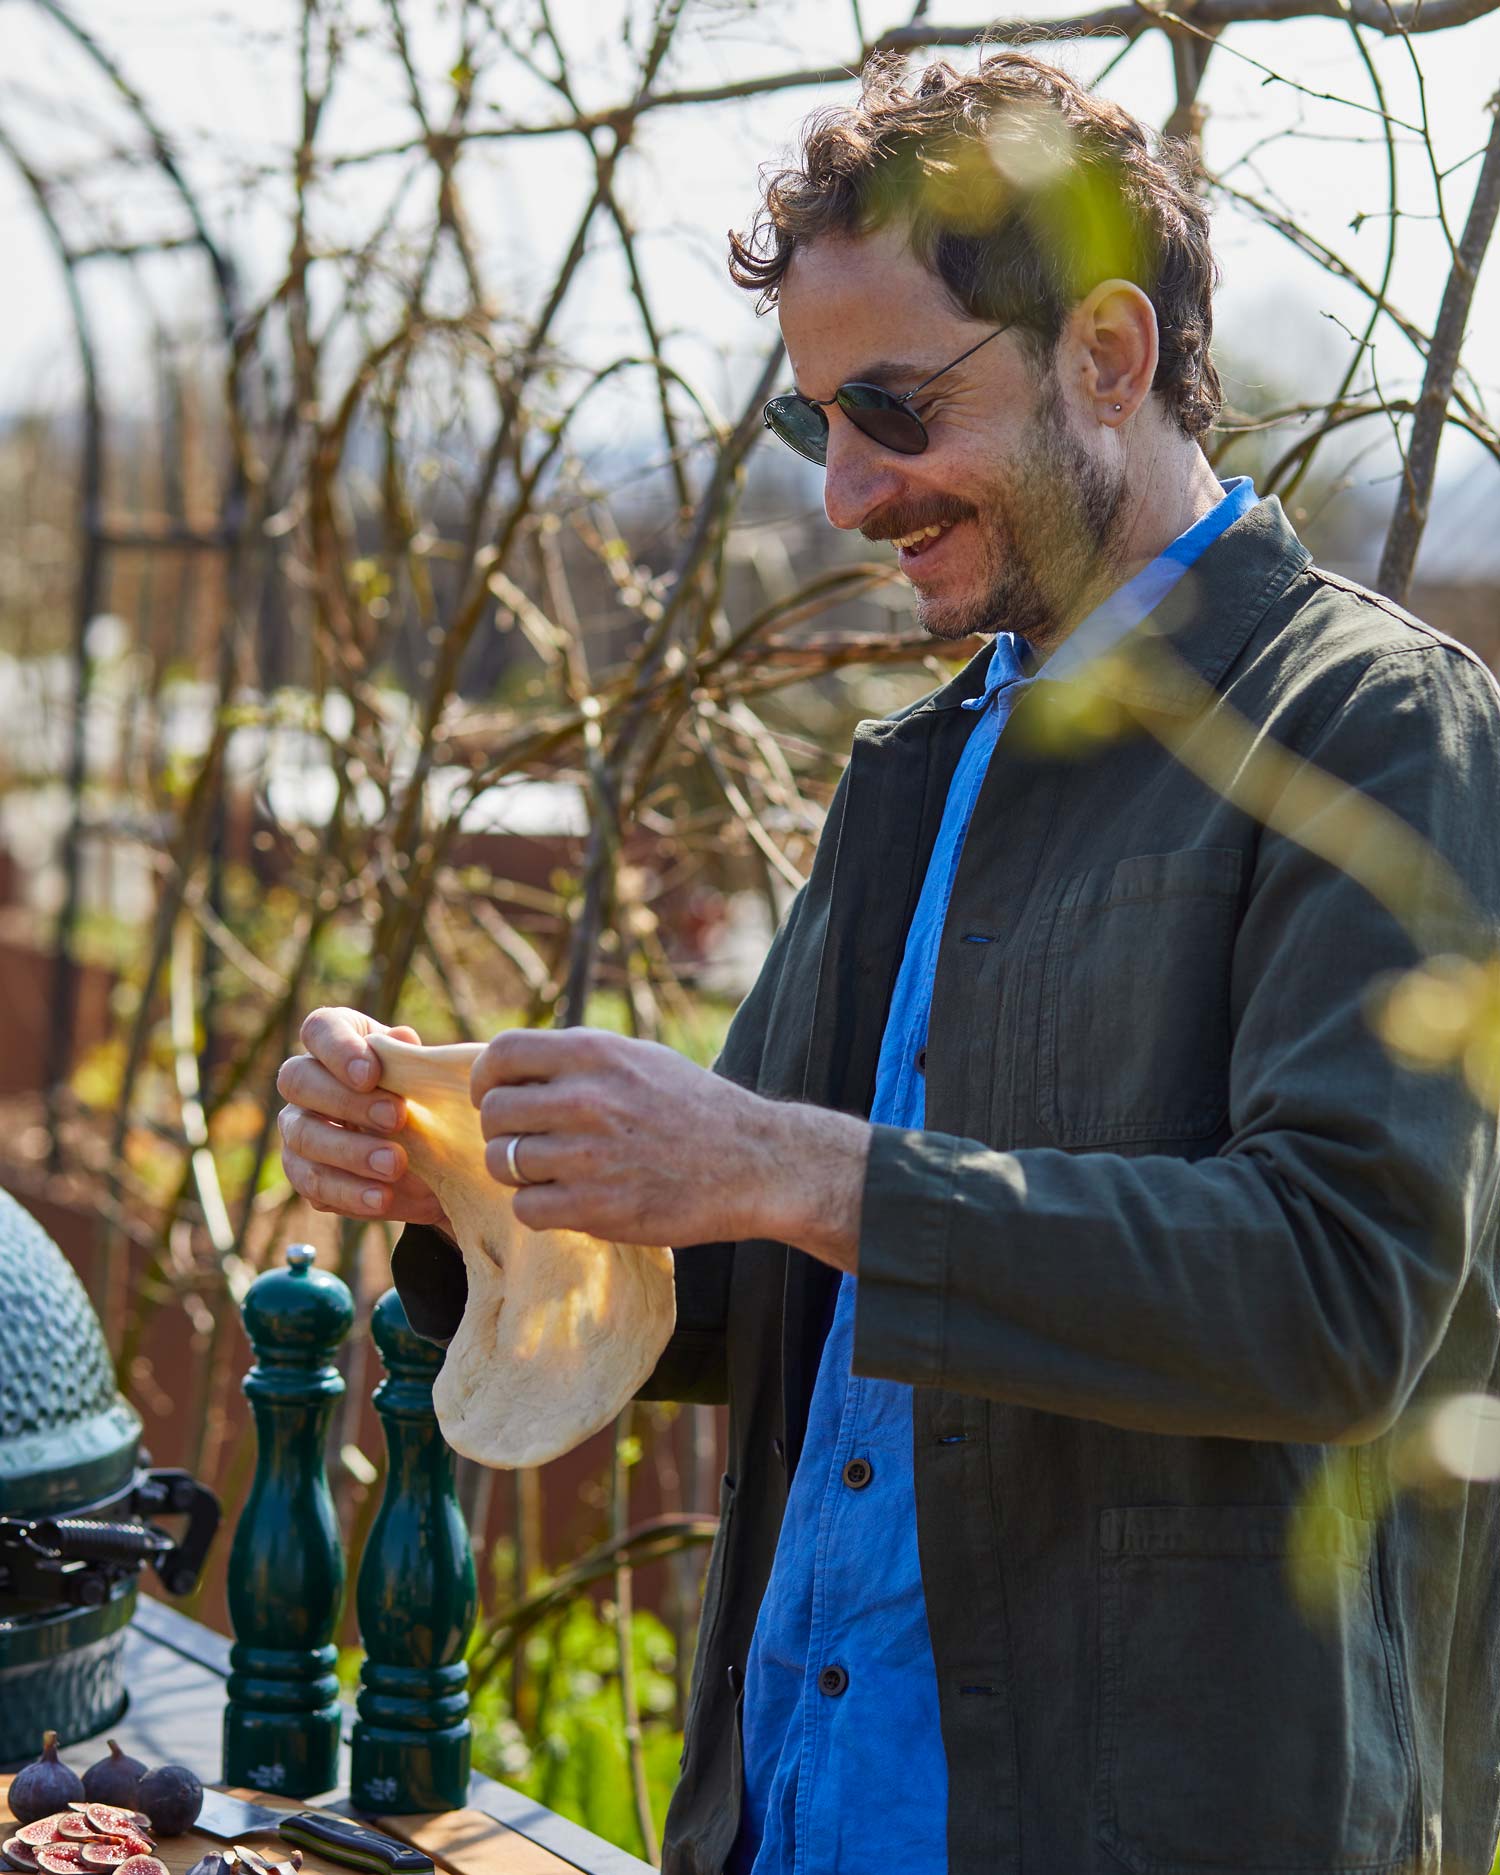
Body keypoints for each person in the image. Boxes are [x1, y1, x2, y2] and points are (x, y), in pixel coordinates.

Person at [276, 52, 1500, 1875]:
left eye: (897, 410)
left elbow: (1337, 1303)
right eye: (811, 428)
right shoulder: (916, 776)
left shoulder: (1373, 725)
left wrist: (783, 1163)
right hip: (800, 1817)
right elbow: (765, 1291)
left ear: (1108, 355)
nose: (847, 493)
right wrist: (471, 1187)